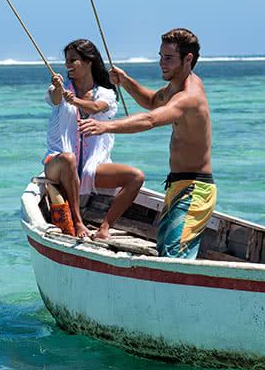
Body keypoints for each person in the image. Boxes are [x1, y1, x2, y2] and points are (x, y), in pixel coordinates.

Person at [80, 28, 215, 259]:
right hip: (177, 187)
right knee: (166, 252)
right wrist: (125, 82)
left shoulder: (189, 96)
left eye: (169, 58)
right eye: (161, 56)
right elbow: (153, 102)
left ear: (188, 59)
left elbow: (152, 119)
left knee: (174, 259)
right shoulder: (176, 87)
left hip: (195, 189)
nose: (162, 63)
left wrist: (106, 126)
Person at [43, 39, 145, 239]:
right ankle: (78, 222)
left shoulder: (106, 93)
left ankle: (105, 228)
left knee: (136, 177)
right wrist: (57, 88)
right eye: (66, 61)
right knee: (69, 158)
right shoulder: (61, 90)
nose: (67, 65)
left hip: (94, 167)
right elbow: (55, 99)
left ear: (89, 62)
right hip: (57, 163)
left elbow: (97, 107)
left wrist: (76, 101)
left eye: (73, 60)